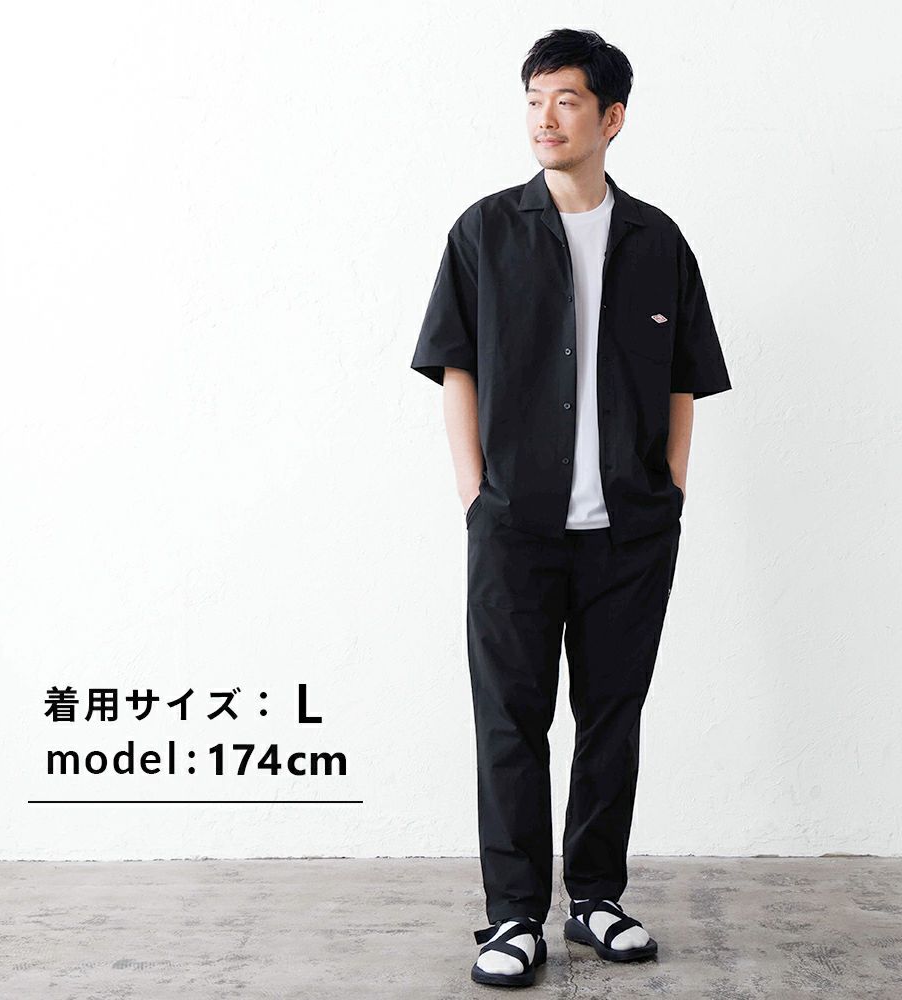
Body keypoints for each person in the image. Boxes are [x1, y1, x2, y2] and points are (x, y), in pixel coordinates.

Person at [410, 28, 732, 988]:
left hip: (629, 531)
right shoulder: (484, 231)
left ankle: (595, 898)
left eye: (566, 100)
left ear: (612, 117)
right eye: (534, 99)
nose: (544, 118)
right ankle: (514, 916)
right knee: (510, 722)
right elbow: (455, 368)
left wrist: (670, 489)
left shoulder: (657, 241)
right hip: (515, 526)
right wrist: (476, 494)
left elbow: (684, 378)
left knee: (611, 720)